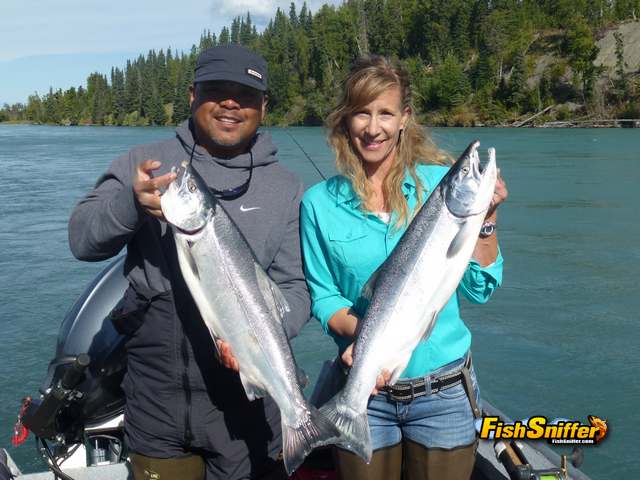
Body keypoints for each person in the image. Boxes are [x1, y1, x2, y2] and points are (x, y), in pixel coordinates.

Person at [69, 45, 310, 480]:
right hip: (156, 409)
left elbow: (295, 288)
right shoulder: (144, 165)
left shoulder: (287, 188)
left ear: (264, 105)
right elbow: (82, 240)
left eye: (246, 93)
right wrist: (131, 204)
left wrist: (257, 337)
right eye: (217, 90)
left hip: (247, 413)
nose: (231, 102)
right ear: (192, 96)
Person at [300, 55, 508, 480]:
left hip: (444, 392)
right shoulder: (317, 204)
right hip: (364, 389)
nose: (373, 128)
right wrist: (368, 336)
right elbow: (323, 298)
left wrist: (486, 220)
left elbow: (479, 288)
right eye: (362, 113)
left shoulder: (437, 183)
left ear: (404, 119)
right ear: (345, 120)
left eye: (385, 113)